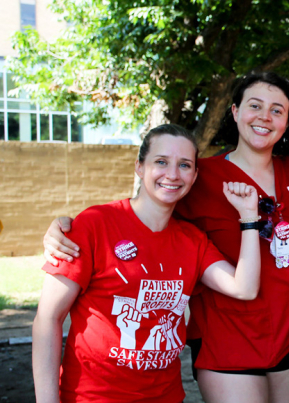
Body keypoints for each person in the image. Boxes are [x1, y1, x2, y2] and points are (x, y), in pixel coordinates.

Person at [41, 73, 289, 403]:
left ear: (288, 120)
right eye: (255, 106)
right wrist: (62, 228)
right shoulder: (199, 176)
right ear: (235, 112)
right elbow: (141, 214)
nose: (265, 116)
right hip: (225, 335)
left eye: (277, 109)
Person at [32, 124, 262, 403]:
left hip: (165, 396)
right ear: (139, 167)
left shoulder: (192, 240)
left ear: (195, 175)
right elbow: (47, 318)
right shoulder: (94, 225)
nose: (173, 174)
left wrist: (249, 217)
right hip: (93, 396)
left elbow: (244, 288)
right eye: (161, 162)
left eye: (185, 165)